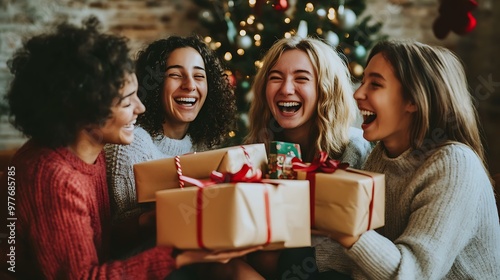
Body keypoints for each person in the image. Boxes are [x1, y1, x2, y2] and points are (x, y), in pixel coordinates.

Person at [0, 17, 258, 279]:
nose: (141, 107)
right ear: (85, 111)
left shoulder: (90, 153)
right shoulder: (54, 177)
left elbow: (98, 242)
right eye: (126, 102)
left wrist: (155, 217)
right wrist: (182, 255)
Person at [314, 40, 500, 279]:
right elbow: (367, 265)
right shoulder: (380, 158)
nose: (358, 93)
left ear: (413, 100)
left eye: (376, 84)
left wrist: (347, 227)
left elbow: (413, 274)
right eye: (363, 82)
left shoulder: (454, 164)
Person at [243, 35, 373, 279]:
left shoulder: (354, 149)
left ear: (326, 89)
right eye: (275, 78)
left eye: (301, 78)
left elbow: (340, 252)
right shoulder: (256, 152)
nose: (286, 89)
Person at [104, 35, 237, 255]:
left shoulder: (202, 144)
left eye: (198, 76)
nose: (190, 85)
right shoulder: (131, 144)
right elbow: (117, 237)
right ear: (155, 83)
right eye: (175, 75)